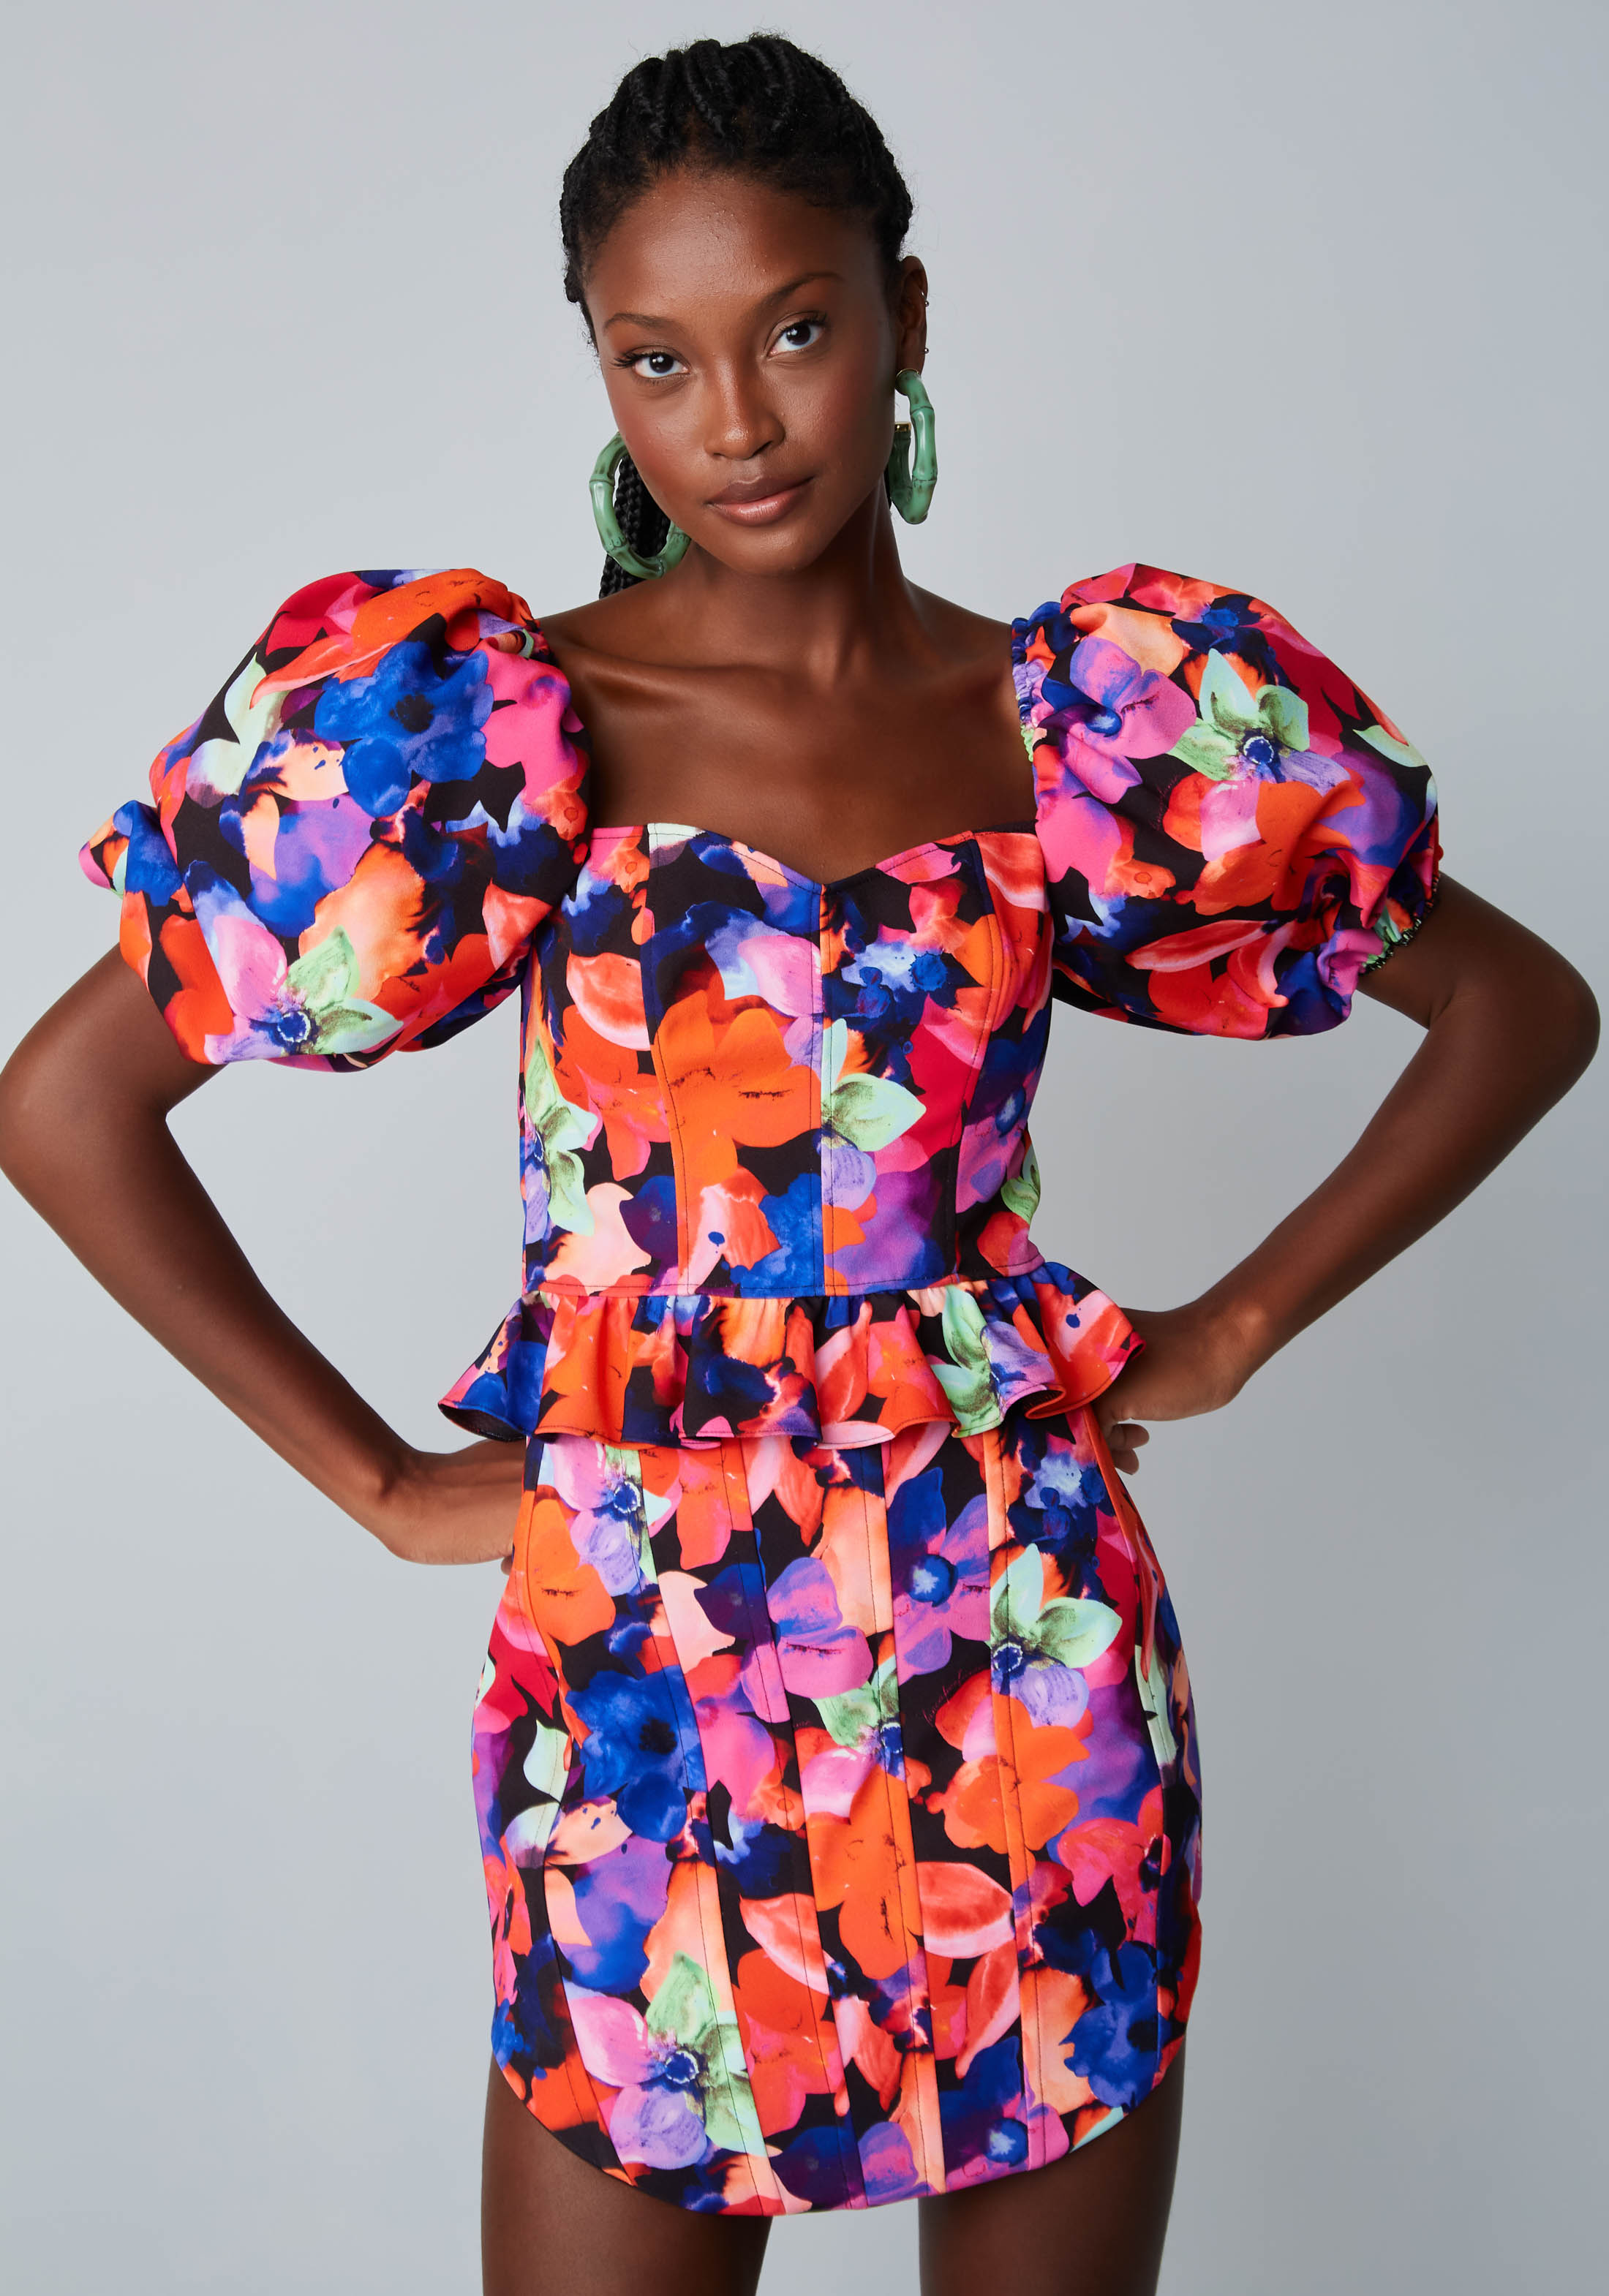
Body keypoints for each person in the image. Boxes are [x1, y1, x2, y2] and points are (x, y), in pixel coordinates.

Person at [0, 30, 1596, 2296]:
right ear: (600, 371)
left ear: (905, 317)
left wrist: (1234, 1327)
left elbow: (1525, 1005)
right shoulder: (495, 730)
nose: (736, 423)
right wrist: (374, 1478)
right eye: (658, 359)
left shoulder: (1078, 725)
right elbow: (62, 1106)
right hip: (646, 1695)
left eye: (798, 331)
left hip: (1023, 1670)